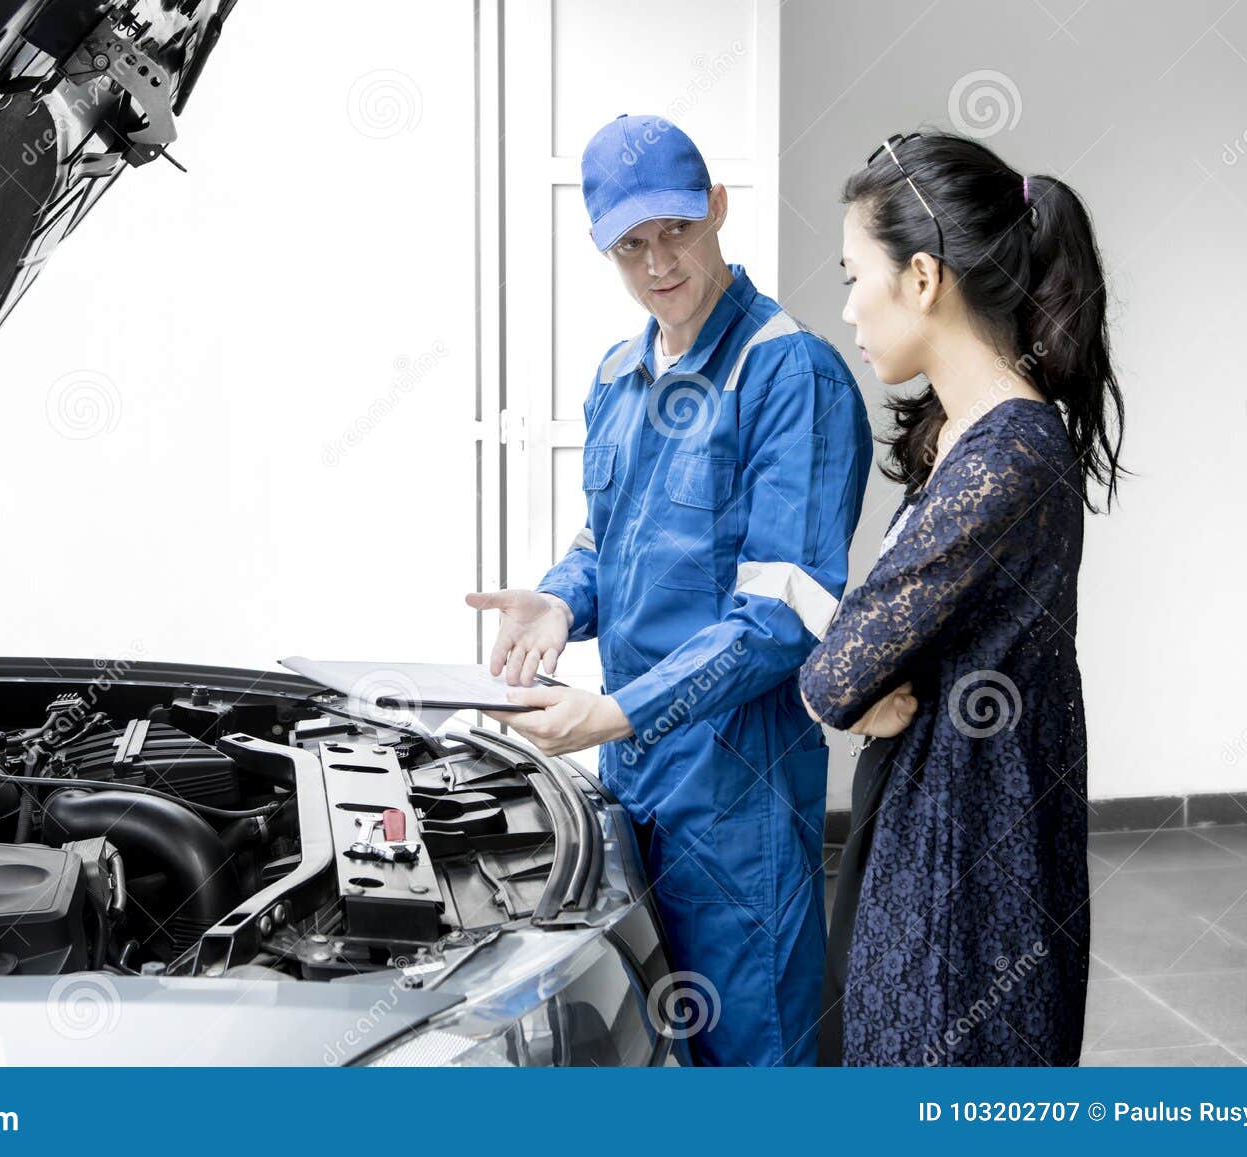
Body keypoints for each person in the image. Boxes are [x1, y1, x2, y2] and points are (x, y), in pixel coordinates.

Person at [465, 114, 880, 1066]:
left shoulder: (790, 374)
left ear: (718, 210)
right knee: (655, 1047)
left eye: (677, 232)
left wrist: (614, 708)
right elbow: (605, 539)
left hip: (737, 794)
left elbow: (781, 618)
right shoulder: (618, 376)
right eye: (631, 246)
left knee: (752, 1053)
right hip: (630, 786)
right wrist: (564, 599)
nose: (659, 263)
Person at [799, 131, 1126, 1066]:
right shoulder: (964, 436)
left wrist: (866, 685)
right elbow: (865, 662)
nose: (849, 307)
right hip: (928, 837)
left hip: (967, 879)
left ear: (924, 279)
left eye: (856, 274)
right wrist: (868, 682)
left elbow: (834, 675)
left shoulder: (1009, 458)